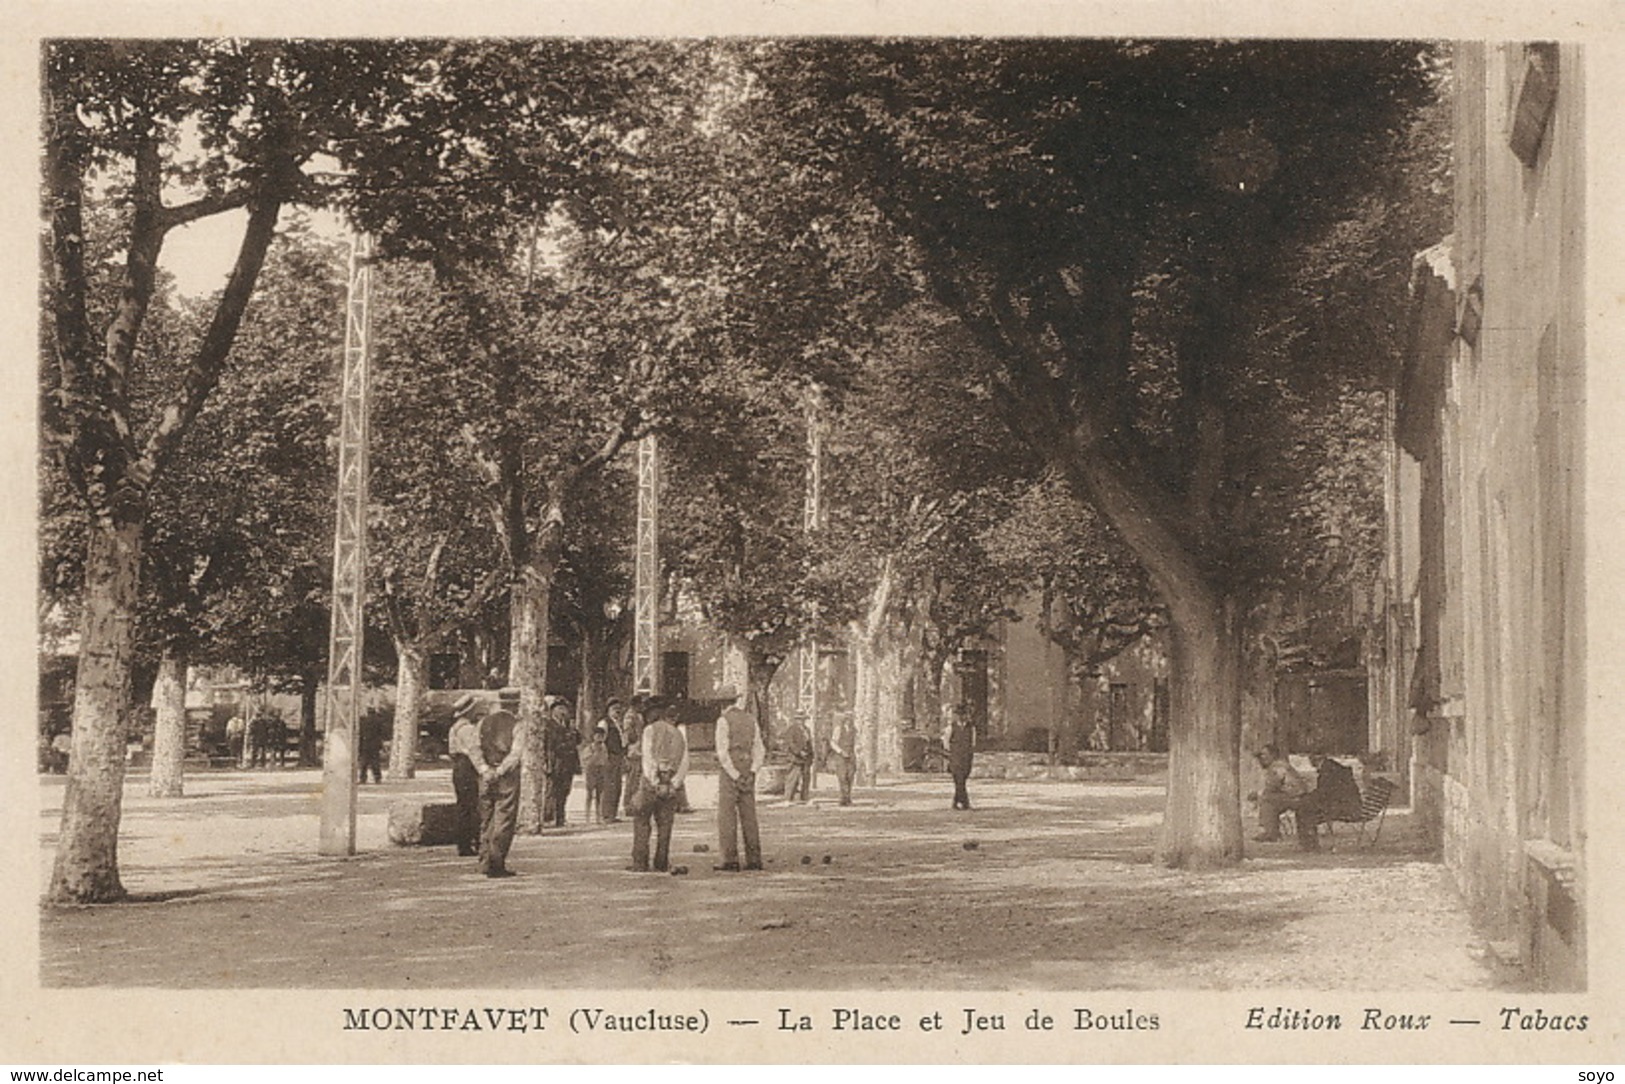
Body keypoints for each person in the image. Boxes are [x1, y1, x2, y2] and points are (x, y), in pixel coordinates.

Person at [628, 702, 688, 873]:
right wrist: (673, 783)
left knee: (641, 821)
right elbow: (684, 762)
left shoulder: (649, 730)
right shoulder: (678, 733)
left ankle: (640, 863)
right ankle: (661, 861)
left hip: (650, 784)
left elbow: (648, 758)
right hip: (670, 785)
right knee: (665, 826)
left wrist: (655, 782)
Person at [713, 686, 764, 871]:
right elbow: (759, 749)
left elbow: (722, 752)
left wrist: (734, 774)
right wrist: (751, 771)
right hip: (748, 766)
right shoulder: (751, 720)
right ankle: (754, 858)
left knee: (727, 815)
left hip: (730, 770)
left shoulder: (723, 721)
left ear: (721, 703)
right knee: (749, 815)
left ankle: (729, 859)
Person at [476, 699, 524, 877]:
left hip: (486, 774)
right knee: (504, 817)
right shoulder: (517, 725)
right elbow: (516, 753)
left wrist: (484, 769)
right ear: (516, 705)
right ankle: (497, 863)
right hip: (506, 777)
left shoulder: (484, 722)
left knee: (486, 817)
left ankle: (484, 860)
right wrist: (501, 770)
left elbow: (475, 748)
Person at [1294, 753, 1364, 851]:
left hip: (1345, 808)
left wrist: (1306, 797)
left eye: (1311, 758)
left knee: (1303, 809)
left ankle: (1309, 844)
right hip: (1350, 804)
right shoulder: (1332, 767)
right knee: (1305, 806)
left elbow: (1323, 793)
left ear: (1315, 759)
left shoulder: (1328, 770)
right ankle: (1309, 843)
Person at [446, 694, 483, 857]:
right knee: (470, 806)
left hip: (459, 766)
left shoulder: (455, 727)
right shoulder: (467, 729)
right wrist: (484, 769)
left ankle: (464, 843)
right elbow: (474, 751)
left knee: (464, 805)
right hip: (467, 766)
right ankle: (467, 843)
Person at [1253, 745, 1309, 842]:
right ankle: (1271, 831)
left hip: (1296, 797)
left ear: (1273, 755)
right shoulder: (1279, 765)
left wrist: (1258, 794)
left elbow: (1273, 786)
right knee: (1268, 798)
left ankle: (1270, 833)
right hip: (1295, 796)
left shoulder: (1277, 766)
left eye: (1264, 755)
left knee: (1267, 799)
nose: (1261, 758)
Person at [543, 697, 581, 827]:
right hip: (556, 761)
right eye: (559, 708)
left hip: (568, 762)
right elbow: (552, 744)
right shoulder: (549, 725)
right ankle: (550, 817)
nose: (562, 711)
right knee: (553, 791)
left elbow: (578, 740)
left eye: (564, 709)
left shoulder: (568, 724)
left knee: (565, 790)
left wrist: (573, 731)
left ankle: (561, 817)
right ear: (553, 711)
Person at [599, 698, 627, 823]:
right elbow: (600, 740)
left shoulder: (619, 724)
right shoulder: (604, 723)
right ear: (608, 710)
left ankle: (613, 813)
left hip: (619, 756)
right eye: (614, 708)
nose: (617, 711)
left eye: (619, 708)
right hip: (609, 756)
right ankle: (606, 814)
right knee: (609, 786)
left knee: (617, 786)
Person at [946, 703, 976, 810]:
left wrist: (969, 752)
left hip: (966, 756)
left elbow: (973, 742)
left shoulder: (971, 728)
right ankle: (965, 803)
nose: (963, 717)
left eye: (965, 715)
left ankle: (956, 802)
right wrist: (952, 753)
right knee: (958, 778)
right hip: (955, 756)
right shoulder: (951, 727)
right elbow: (946, 742)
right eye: (960, 715)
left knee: (962, 779)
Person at [620, 701, 647, 819]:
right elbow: (629, 734)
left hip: (639, 750)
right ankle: (629, 805)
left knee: (637, 780)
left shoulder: (638, 715)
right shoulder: (630, 716)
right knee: (632, 780)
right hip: (633, 751)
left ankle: (635, 805)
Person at [781, 713, 814, 803]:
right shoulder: (791, 730)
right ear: (796, 720)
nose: (801, 721)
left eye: (803, 719)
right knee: (792, 778)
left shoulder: (807, 730)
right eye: (799, 719)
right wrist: (799, 752)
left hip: (806, 757)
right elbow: (791, 743)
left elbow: (809, 743)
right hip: (795, 758)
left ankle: (804, 797)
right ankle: (788, 798)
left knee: (806, 778)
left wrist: (811, 755)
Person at [582, 722, 610, 824]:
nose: (600, 738)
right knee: (589, 794)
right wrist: (595, 755)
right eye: (597, 736)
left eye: (602, 736)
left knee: (600, 794)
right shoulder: (589, 748)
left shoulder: (604, 748)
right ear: (593, 737)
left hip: (601, 770)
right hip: (592, 771)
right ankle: (587, 817)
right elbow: (586, 761)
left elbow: (606, 759)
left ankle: (599, 816)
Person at [826, 713, 857, 806]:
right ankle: (843, 797)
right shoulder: (838, 729)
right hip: (841, 756)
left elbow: (857, 743)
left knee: (850, 776)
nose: (849, 721)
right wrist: (840, 751)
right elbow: (833, 743)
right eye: (847, 719)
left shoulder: (854, 730)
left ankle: (848, 797)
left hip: (851, 755)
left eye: (850, 719)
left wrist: (856, 752)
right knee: (842, 777)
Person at [357, 712, 385, 784]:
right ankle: (377, 778)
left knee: (364, 762)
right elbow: (381, 733)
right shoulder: (378, 721)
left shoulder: (362, 721)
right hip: (374, 744)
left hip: (365, 743)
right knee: (375, 762)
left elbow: (360, 733)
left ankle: (363, 778)